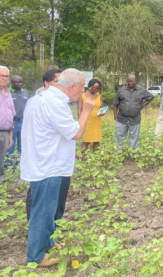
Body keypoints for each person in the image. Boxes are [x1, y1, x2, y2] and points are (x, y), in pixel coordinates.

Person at [21, 68, 95, 267]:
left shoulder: (38, 98)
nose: (83, 91)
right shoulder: (54, 104)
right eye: (81, 87)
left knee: (47, 208)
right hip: (49, 165)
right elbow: (76, 133)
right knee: (43, 211)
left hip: (41, 161)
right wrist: (86, 111)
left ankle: (48, 242)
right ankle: (36, 256)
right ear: (72, 87)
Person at [25, 68, 69, 222]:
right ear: (46, 83)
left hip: (52, 159)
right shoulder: (41, 101)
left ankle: (47, 226)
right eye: (57, 82)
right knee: (39, 196)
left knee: (50, 196)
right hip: (43, 159)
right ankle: (37, 227)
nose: (61, 85)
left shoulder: (58, 102)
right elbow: (72, 133)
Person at [113, 74, 154, 152]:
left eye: (132, 81)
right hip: (121, 119)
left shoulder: (142, 90)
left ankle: (134, 154)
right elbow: (115, 103)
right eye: (128, 81)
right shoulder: (121, 90)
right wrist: (115, 114)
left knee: (134, 138)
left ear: (136, 81)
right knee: (119, 137)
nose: (130, 83)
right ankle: (118, 154)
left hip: (135, 119)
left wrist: (142, 105)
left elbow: (150, 97)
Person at [78, 79, 105, 155]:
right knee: (86, 141)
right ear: (89, 86)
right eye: (94, 88)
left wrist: (102, 112)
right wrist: (80, 122)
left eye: (98, 88)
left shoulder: (99, 96)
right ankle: (84, 159)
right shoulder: (82, 96)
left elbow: (101, 108)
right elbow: (79, 110)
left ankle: (96, 159)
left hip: (97, 121)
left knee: (96, 140)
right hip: (86, 121)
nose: (96, 90)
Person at [7, 75, 30, 166]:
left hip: (24, 122)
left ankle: (20, 166)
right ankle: (8, 167)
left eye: (21, 82)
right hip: (12, 123)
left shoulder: (25, 92)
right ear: (12, 83)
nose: (20, 84)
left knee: (23, 145)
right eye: (18, 82)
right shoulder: (7, 92)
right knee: (10, 146)